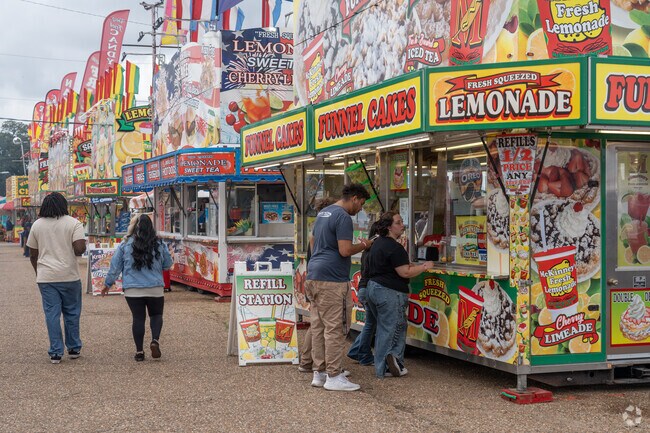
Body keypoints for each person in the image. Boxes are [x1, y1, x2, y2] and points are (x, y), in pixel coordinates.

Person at [306, 183, 372, 392]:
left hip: (314, 274)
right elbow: (344, 250)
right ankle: (334, 375)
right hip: (333, 279)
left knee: (318, 326)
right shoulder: (343, 217)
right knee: (335, 327)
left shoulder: (323, 213)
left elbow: (312, 242)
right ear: (354, 198)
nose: (360, 208)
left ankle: (320, 372)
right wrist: (364, 245)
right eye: (360, 203)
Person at [366, 211, 434, 378]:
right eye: (398, 222)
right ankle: (385, 366)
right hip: (389, 291)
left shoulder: (377, 243)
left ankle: (392, 364)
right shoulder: (394, 247)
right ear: (389, 227)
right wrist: (425, 266)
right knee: (391, 329)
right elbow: (405, 272)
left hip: (373, 288)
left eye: (402, 221)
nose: (402, 224)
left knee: (386, 328)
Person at [26, 192, 87, 364]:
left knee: (52, 314)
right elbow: (79, 249)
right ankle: (74, 348)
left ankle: (55, 352)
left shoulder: (37, 225)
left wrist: (39, 272)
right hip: (69, 276)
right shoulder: (74, 223)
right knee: (72, 312)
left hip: (46, 277)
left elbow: (32, 253)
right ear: (64, 205)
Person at [103, 214, 172, 362]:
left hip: (133, 289)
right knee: (156, 315)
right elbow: (167, 264)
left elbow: (115, 266)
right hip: (155, 288)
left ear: (134, 227)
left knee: (138, 318)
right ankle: (155, 340)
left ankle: (139, 351)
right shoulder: (159, 244)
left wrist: (108, 283)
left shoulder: (125, 244)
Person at [298, 196, 337, 374]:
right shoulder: (323, 233)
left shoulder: (316, 230)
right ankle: (311, 363)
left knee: (316, 323)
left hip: (312, 278)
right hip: (323, 280)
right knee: (320, 325)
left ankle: (306, 361)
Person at [346, 221, 380, 366]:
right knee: (372, 324)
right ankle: (363, 354)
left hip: (363, 288)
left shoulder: (367, 249)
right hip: (369, 288)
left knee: (371, 323)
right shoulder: (377, 248)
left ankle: (356, 350)